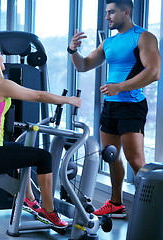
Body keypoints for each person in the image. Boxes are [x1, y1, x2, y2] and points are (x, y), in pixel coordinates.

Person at [0, 43, 81, 228]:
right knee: (44, 157)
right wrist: (68, 100)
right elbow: (38, 96)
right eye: (0, 55)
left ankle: (29, 199)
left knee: (20, 149)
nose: (3, 58)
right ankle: (49, 212)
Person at [68, 0, 160, 218]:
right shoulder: (108, 43)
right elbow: (83, 66)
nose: (107, 17)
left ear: (126, 12)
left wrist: (120, 86)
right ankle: (116, 203)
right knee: (111, 155)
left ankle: (151, 210)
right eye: (106, 13)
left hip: (132, 105)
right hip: (111, 106)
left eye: (111, 13)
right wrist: (73, 50)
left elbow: (154, 71)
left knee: (135, 159)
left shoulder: (143, 37)